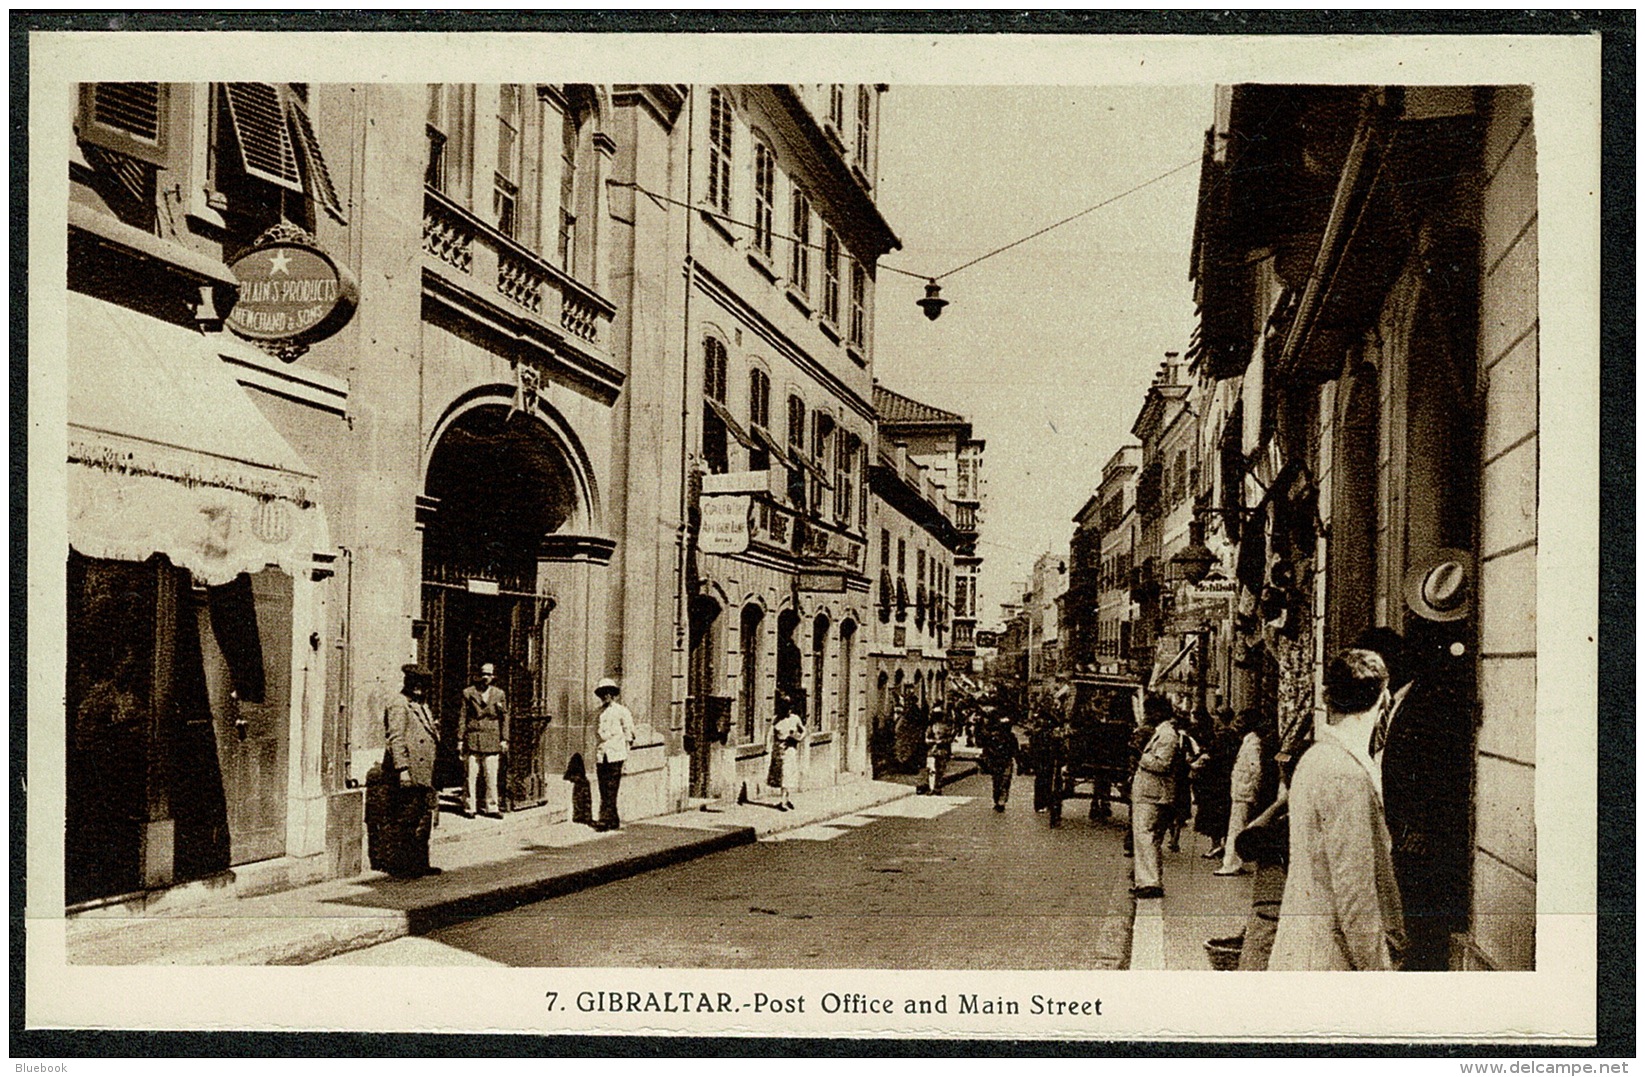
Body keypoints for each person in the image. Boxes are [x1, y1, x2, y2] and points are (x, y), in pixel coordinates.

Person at [1270, 648, 1406, 970]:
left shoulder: (1314, 759)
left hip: (1301, 947)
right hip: (1332, 959)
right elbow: (1355, 895)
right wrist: (1378, 972)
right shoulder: (1347, 774)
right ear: (1384, 699)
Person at [381, 663, 440, 877]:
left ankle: (420, 863)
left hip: (424, 771)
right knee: (407, 819)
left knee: (424, 818)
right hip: (410, 771)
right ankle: (402, 866)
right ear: (408, 684)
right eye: (415, 685)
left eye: (422, 686)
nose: (419, 690)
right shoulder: (399, 704)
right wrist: (403, 769)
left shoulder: (420, 704)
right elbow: (395, 739)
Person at [1129, 694, 1182, 899]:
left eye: (1151, 711)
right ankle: (1146, 880)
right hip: (1150, 792)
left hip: (1154, 794)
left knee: (1146, 836)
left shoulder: (1168, 735)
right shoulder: (1161, 732)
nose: (1148, 715)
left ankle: (1150, 882)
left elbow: (1162, 764)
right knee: (1147, 837)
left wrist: (1141, 754)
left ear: (1160, 713)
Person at [1217, 709, 1264, 876]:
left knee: (1236, 828)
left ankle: (1231, 863)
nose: (1237, 725)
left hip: (1244, 792)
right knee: (1239, 826)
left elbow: (1255, 769)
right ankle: (1237, 861)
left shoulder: (1252, 743)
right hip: (1242, 791)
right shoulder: (1248, 741)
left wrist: (1253, 789)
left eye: (1241, 722)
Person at [459, 662, 509, 818]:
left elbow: (504, 717)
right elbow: (462, 717)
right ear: (478, 676)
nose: (485, 678)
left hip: (492, 739)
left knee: (491, 776)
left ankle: (492, 807)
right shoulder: (468, 693)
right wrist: (460, 739)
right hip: (473, 738)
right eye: (483, 674)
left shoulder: (499, 694)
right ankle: (469, 807)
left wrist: (504, 739)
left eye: (489, 675)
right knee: (470, 776)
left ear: (493, 677)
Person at [593, 677, 637, 831]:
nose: (605, 696)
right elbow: (596, 734)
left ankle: (605, 820)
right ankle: (613, 820)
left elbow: (629, 734)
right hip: (602, 756)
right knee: (603, 789)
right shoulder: (597, 713)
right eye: (602, 693)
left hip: (616, 756)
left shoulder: (622, 711)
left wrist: (626, 755)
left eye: (608, 693)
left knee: (612, 789)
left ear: (613, 694)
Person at [977, 705, 1018, 812]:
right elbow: (983, 744)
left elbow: (1015, 750)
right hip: (996, 760)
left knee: (1005, 780)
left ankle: (1001, 801)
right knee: (997, 781)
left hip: (1006, 760)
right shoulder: (992, 736)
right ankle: (997, 800)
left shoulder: (1011, 737)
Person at [769, 694, 806, 810]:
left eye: (790, 708)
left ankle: (784, 801)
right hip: (779, 750)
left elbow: (804, 730)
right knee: (782, 776)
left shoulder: (795, 719)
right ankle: (785, 799)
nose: (788, 711)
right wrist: (769, 747)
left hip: (790, 750)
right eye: (786, 708)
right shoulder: (776, 719)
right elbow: (770, 734)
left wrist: (799, 737)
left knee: (787, 774)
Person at [922, 705, 953, 795]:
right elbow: (926, 739)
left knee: (940, 769)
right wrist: (933, 741)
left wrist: (942, 741)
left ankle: (937, 787)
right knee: (931, 769)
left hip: (941, 750)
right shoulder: (931, 727)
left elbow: (949, 739)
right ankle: (931, 787)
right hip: (932, 750)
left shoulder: (945, 727)